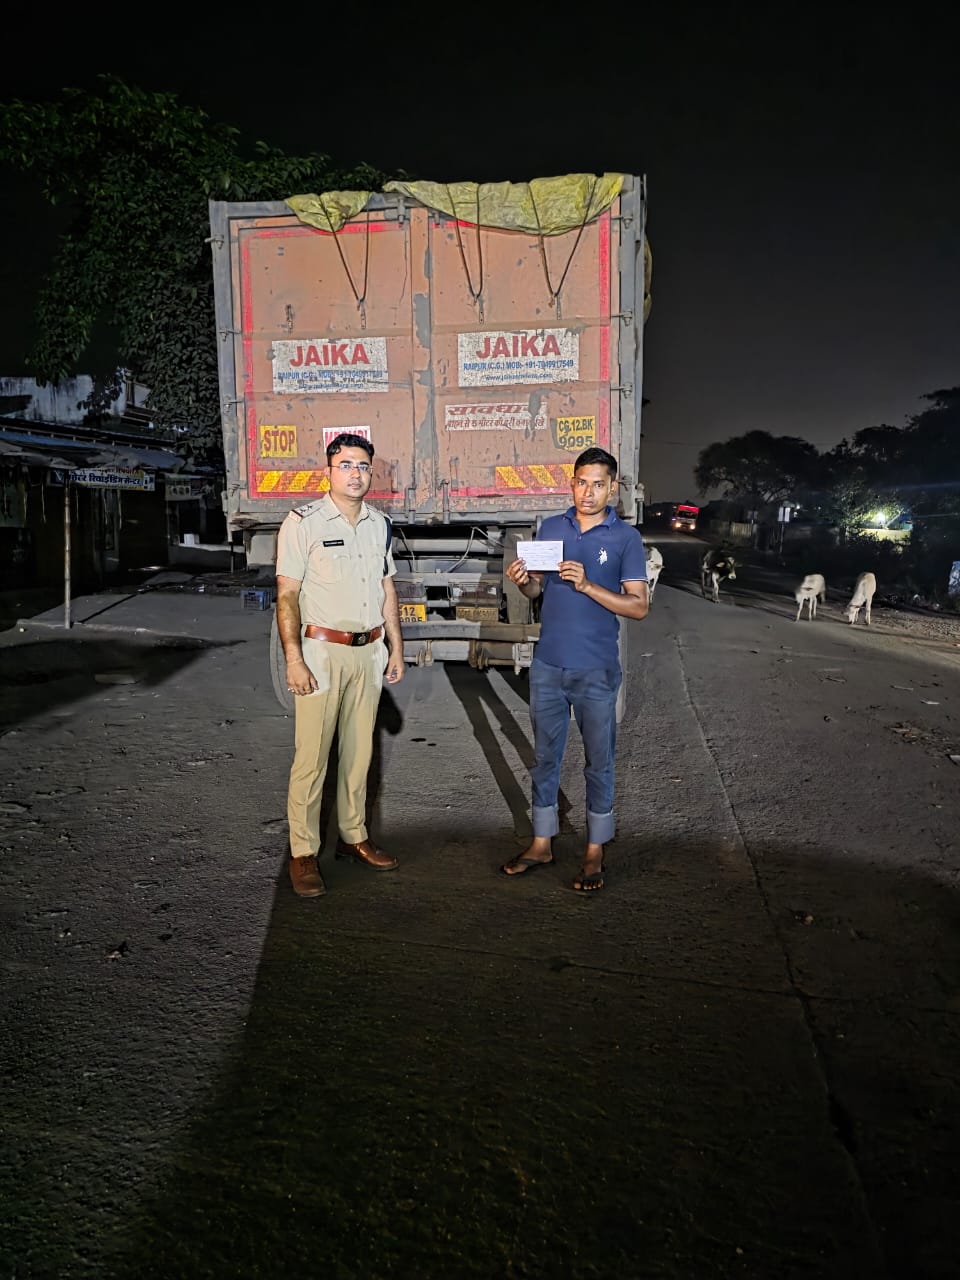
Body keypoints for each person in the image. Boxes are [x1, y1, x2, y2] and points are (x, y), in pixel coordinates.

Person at [500, 446, 649, 892]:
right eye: (582, 482)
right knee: (545, 759)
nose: (588, 492)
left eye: (598, 484)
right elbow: (536, 592)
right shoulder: (551, 527)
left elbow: (639, 606)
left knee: (598, 763)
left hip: (596, 669)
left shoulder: (625, 539)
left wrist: (587, 586)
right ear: (572, 483)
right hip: (548, 664)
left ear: (612, 488)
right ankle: (541, 842)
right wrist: (524, 582)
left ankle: (594, 850)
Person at [275, 432, 405, 898]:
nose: (356, 473)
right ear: (328, 471)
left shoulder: (379, 524)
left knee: (358, 753)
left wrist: (396, 647)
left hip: (368, 651)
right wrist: (294, 659)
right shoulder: (302, 522)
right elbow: (287, 595)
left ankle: (353, 835)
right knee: (311, 758)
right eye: (346, 464)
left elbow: (386, 589)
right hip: (321, 652)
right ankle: (303, 852)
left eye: (363, 465)